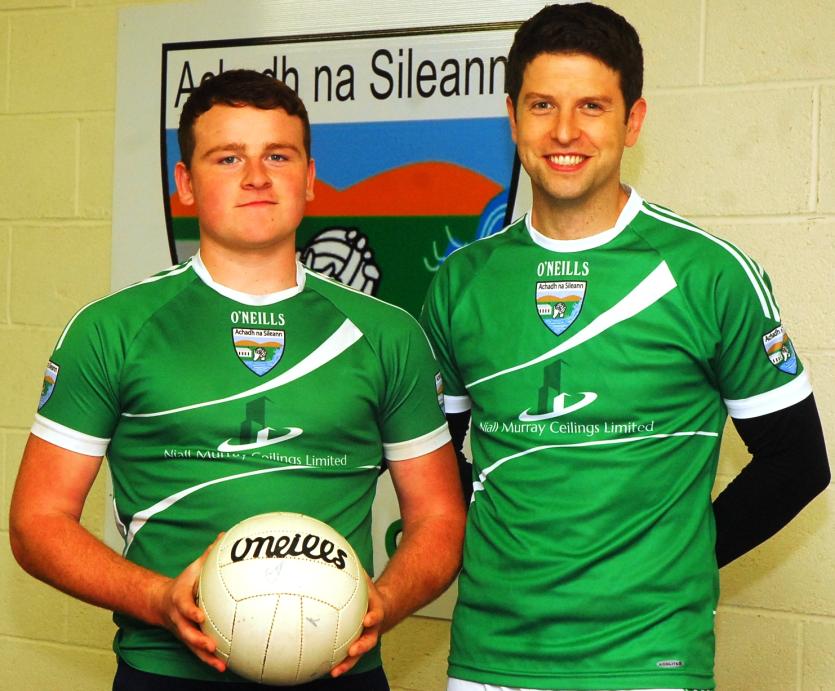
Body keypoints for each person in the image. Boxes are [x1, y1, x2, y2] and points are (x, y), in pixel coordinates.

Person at [10, 69, 465, 690]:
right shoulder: (112, 330)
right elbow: (38, 521)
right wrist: (157, 599)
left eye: (278, 155)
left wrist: (386, 602)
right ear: (185, 182)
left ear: (309, 176)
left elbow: (439, 518)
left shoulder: (388, 334)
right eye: (228, 157)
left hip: (342, 672)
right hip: (166, 674)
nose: (256, 176)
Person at [419, 4, 830, 691]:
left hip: (647, 660)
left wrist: (679, 561)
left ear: (632, 120)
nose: (564, 131)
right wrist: (496, 548)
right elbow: (432, 463)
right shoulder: (462, 280)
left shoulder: (707, 273)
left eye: (592, 106)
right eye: (542, 105)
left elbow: (798, 463)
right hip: (489, 659)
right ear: (512, 117)